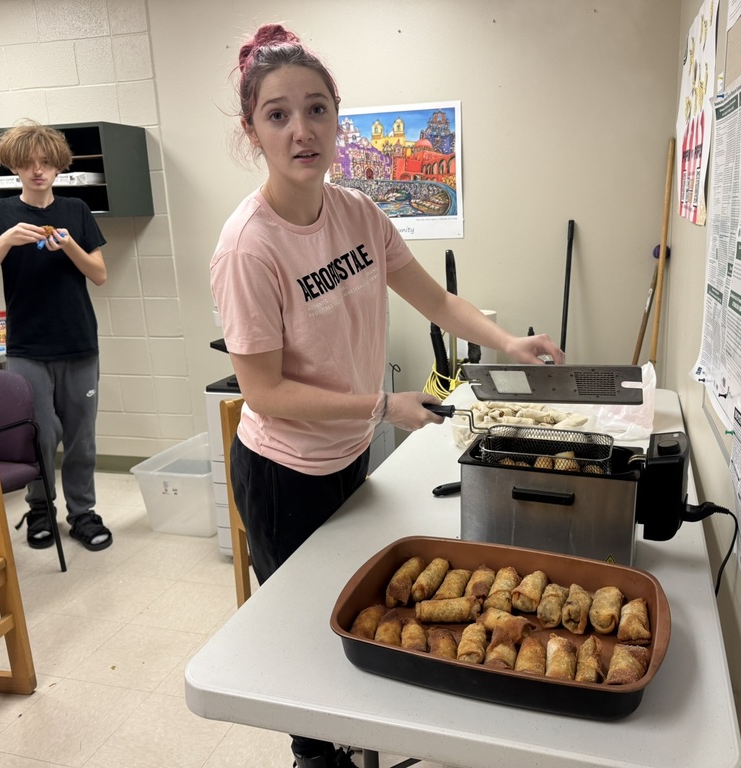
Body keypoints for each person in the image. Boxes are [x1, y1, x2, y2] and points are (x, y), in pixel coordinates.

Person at [210, 24, 565, 768]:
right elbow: (264, 393)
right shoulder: (250, 247)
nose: (301, 130)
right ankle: (316, 753)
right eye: (277, 115)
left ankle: (355, 737)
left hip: (345, 459)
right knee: (309, 627)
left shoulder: (359, 215)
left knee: (358, 610)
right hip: (283, 474)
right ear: (253, 132)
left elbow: (435, 299)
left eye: (316, 109)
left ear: (338, 117)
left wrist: (510, 347)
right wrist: (382, 407)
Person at [0, 119, 113, 553]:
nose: (38, 171)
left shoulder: (77, 211)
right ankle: (40, 508)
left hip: (79, 342)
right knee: (40, 433)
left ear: (58, 167)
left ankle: (82, 511)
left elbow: (99, 274)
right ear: (14, 167)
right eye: (28, 164)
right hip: (27, 346)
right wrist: (6, 241)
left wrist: (69, 246)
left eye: (46, 163)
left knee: (81, 436)